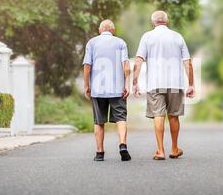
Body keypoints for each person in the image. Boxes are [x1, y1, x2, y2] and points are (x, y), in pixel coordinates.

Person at [133, 11, 195, 161]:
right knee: (173, 116)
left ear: (153, 22)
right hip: (175, 83)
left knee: (158, 115)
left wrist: (135, 82)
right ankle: (174, 148)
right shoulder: (177, 36)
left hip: (155, 83)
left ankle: (160, 151)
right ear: (166, 21)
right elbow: (188, 62)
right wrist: (191, 84)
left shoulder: (147, 37)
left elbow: (139, 60)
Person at [83, 20, 131, 162]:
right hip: (118, 89)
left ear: (100, 30)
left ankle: (99, 153)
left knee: (99, 122)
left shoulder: (92, 43)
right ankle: (123, 145)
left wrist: (87, 85)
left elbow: (87, 66)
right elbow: (126, 66)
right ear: (113, 31)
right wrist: (126, 85)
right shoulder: (121, 43)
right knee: (121, 118)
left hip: (98, 89)